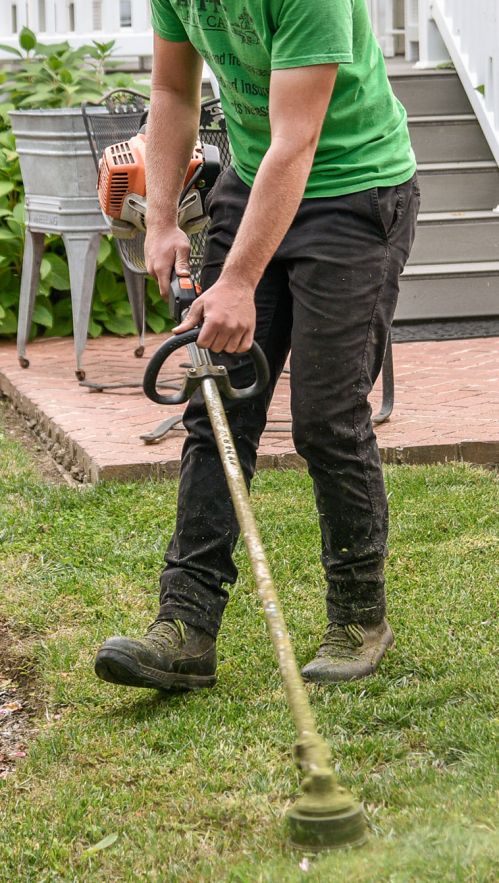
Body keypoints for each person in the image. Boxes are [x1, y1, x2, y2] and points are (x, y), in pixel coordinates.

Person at [94, 0, 420, 691]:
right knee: (215, 401)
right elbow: (172, 91)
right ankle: (184, 626)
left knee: (327, 418)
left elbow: (296, 141)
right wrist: (159, 221)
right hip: (254, 177)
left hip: (354, 190)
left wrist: (239, 279)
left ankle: (359, 617)